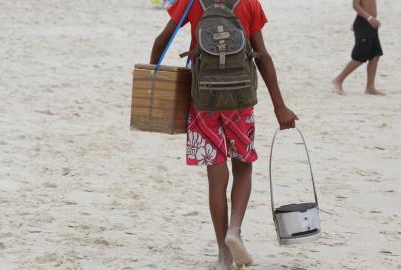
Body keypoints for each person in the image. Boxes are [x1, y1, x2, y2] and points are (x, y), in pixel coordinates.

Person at [149, 0, 298, 269]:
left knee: (216, 177)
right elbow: (261, 55)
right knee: (243, 167)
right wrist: (279, 105)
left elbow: (161, 41)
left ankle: (223, 254)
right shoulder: (250, 3)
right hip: (240, 101)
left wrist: (152, 81)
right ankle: (235, 231)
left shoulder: (191, 2)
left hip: (204, 101)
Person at [332, 0, 385, 95]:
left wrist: (372, 20)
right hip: (364, 23)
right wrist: (369, 18)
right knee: (360, 57)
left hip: (371, 24)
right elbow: (355, 5)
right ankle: (338, 80)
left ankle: (370, 87)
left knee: (375, 55)